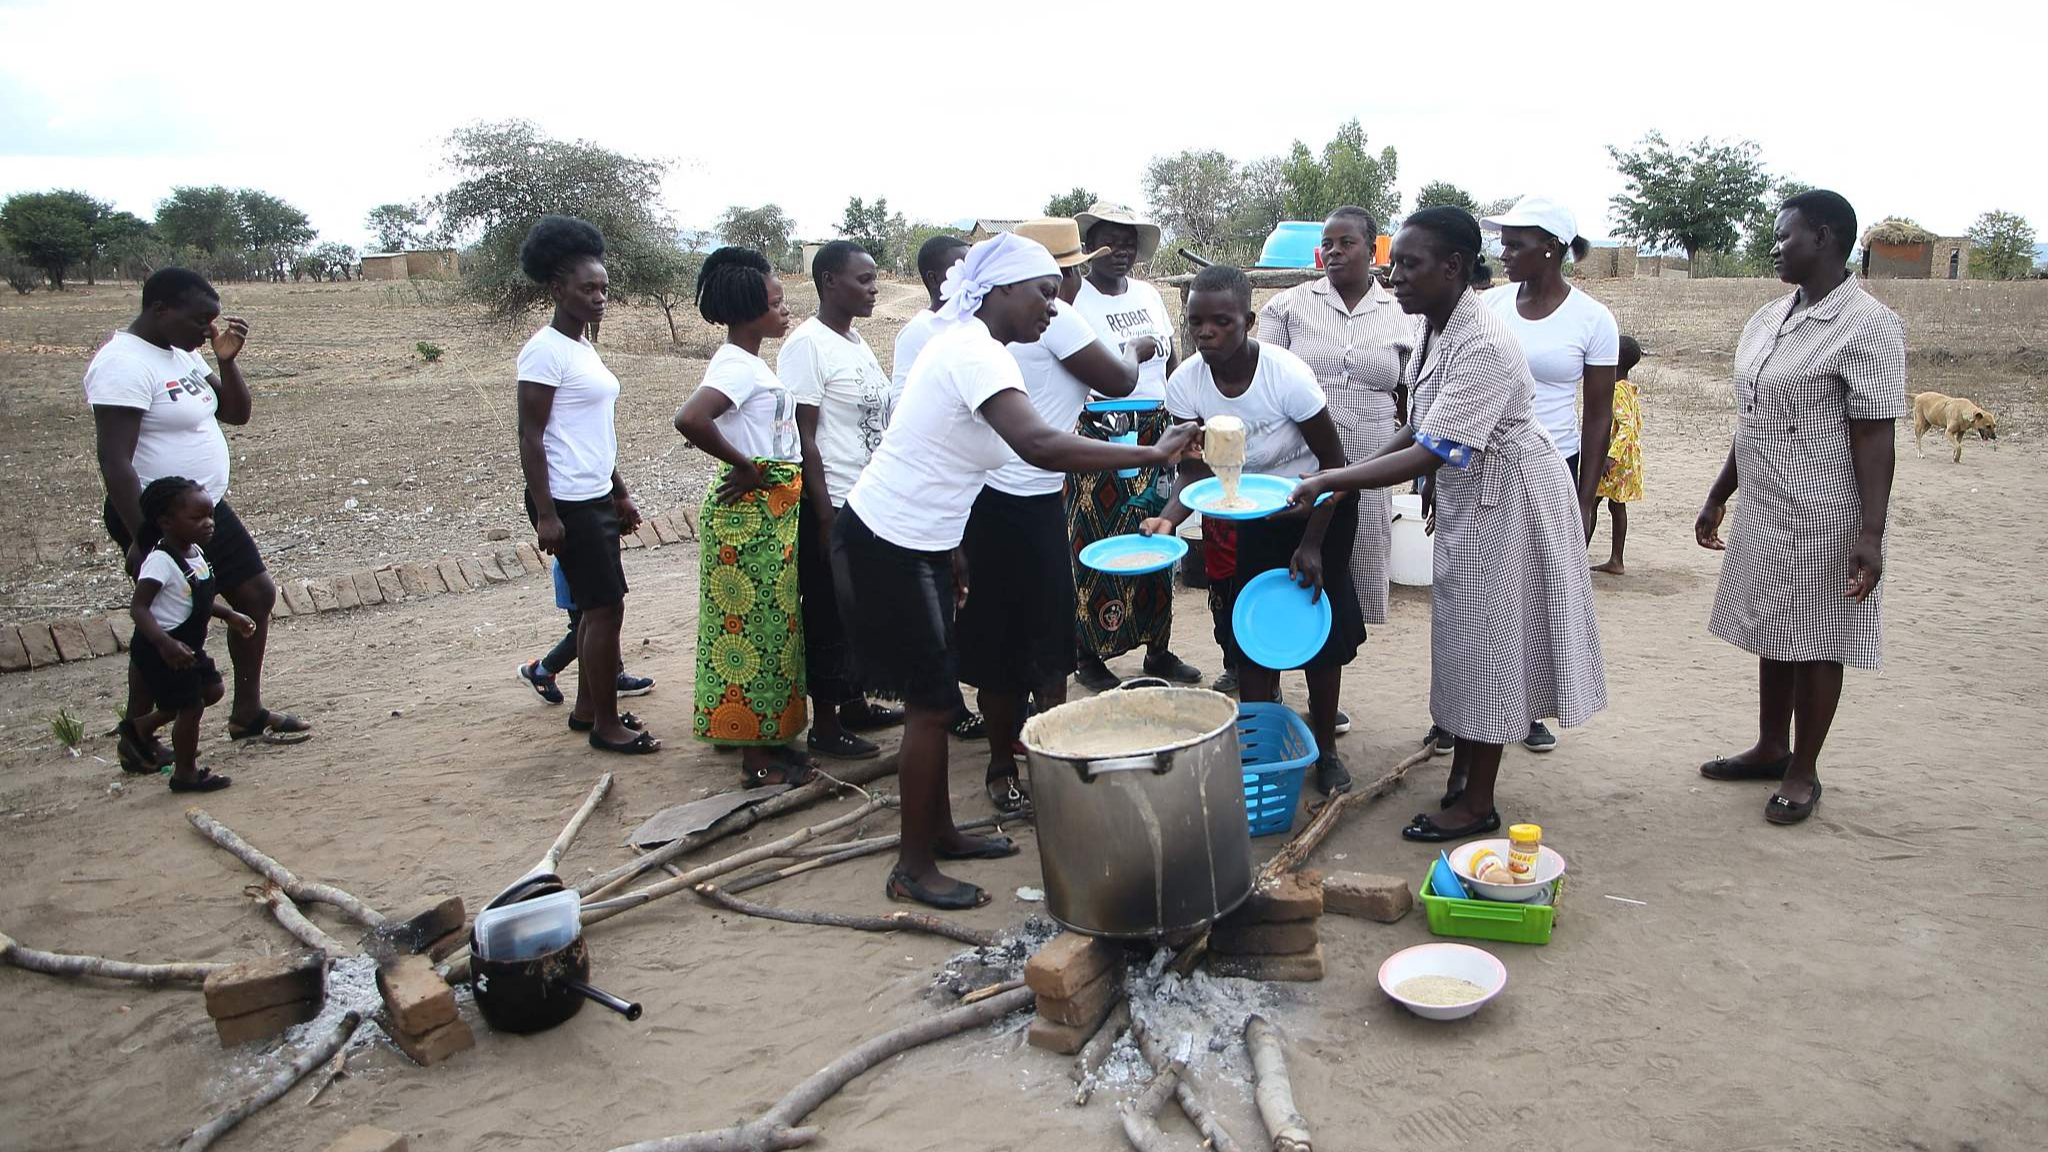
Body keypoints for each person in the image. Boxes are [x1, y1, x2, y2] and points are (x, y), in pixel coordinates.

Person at [834, 233, 1197, 909]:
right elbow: (1036, 446)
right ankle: (912, 867)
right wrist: (1148, 456)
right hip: (886, 543)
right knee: (932, 707)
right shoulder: (975, 354)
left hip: (921, 540)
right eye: (1043, 294)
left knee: (935, 702)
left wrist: (953, 547)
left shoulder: (974, 348)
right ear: (999, 290)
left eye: (1058, 297)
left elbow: (944, 456)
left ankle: (940, 831)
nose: (1052, 310)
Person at [1283, 207, 1607, 842]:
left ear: (1453, 267)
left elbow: (1436, 449)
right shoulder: (1439, 324)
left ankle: (1477, 802)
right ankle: (1463, 771)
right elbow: (1422, 423)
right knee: (1466, 640)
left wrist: (1332, 480)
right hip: (1479, 497)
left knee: (1489, 645)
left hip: (1511, 503)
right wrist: (1352, 468)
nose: (1394, 275)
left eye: (1410, 264)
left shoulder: (1483, 339)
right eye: (1394, 261)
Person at [1696, 190, 1905, 826]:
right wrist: (1719, 492)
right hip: (1765, 504)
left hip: (1824, 509)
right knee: (1772, 625)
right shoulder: (1770, 318)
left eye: (1785, 236)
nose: (1775, 245)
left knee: (1818, 637)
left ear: (1824, 237)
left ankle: (1803, 768)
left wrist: (1871, 533)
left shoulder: (1867, 325)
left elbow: (1876, 435)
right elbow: (1753, 415)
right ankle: (1768, 745)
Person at [1140, 265, 1360, 795]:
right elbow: (1192, 469)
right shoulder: (1186, 383)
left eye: (1222, 321)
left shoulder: (1286, 376)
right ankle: (1260, 752)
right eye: (1196, 322)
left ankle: (1325, 748)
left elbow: (1337, 468)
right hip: (1251, 515)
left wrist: (1311, 544)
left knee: (1317, 634)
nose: (1207, 332)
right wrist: (1170, 516)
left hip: (1319, 509)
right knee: (1254, 633)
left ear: (1248, 321)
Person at [962, 218, 1147, 815]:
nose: (1063, 286)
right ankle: (1049, 763)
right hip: (1029, 496)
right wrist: (1138, 350)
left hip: (981, 498)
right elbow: (1119, 382)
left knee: (998, 637)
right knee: (1045, 637)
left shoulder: (968, 328)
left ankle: (1003, 766)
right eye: (1065, 272)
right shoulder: (1061, 319)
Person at [90, 268, 310, 772]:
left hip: (203, 507)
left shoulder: (183, 352)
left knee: (256, 594)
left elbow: (235, 413)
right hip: (159, 518)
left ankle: (247, 713)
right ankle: (138, 733)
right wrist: (144, 538)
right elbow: (115, 461)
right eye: (200, 321)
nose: (208, 331)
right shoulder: (122, 363)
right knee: (168, 625)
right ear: (161, 309)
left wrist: (225, 361)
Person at [1258, 205, 1412, 737]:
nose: (1335, 252)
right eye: (1328, 243)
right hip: (1299, 460)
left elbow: (1414, 390)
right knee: (1285, 562)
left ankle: (1322, 684)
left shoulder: (1401, 311)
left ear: (1373, 250)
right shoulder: (1289, 306)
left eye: (1348, 243)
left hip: (1374, 455)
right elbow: (1265, 382)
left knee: (1345, 573)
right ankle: (1269, 674)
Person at [1479, 195, 1618, 754]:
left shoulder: (1592, 319)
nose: (1504, 252)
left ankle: (1529, 710)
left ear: (1551, 247)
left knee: (1538, 593)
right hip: (1486, 461)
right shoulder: (1489, 307)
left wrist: (1586, 499)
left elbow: (1599, 413)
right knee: (1479, 591)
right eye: (1503, 241)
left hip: (1552, 468)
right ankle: (1465, 714)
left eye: (1515, 243)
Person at [514, 215, 656, 755]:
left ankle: (585, 708)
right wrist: (547, 514)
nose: (599, 297)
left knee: (597, 608)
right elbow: (531, 437)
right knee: (603, 611)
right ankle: (606, 725)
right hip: (566, 500)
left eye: (602, 287)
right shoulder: (545, 351)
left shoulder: (581, 348)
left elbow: (592, 430)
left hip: (594, 493)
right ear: (558, 289)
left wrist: (618, 489)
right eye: (587, 288)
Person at [674, 247, 813, 786]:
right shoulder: (734, 364)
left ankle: (772, 740)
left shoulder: (751, 362)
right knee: (750, 636)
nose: (785, 312)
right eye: (776, 303)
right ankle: (756, 761)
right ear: (749, 309)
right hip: (750, 515)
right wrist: (746, 465)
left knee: (774, 631)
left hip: (768, 512)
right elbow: (690, 419)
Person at [1066, 201, 1200, 691]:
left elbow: (1171, 359)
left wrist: (1178, 413)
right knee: (1096, 539)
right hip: (1098, 429)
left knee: (1156, 533)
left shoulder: (1147, 294)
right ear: (1088, 244)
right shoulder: (1075, 299)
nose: (1120, 250)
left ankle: (1157, 649)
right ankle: (1089, 653)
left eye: (1128, 241)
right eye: (1109, 239)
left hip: (1156, 428)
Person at [782, 240, 905, 760]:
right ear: (830, 282)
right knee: (830, 612)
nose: (875, 288)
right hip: (829, 502)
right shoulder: (806, 345)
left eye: (875, 278)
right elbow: (803, 435)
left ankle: (854, 702)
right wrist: (825, 511)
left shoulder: (853, 342)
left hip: (865, 497)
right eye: (865, 279)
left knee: (856, 608)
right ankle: (826, 726)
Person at [889, 232, 985, 741]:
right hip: (933, 487)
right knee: (941, 601)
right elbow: (903, 407)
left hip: (967, 484)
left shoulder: (971, 329)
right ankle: (946, 703)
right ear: (934, 278)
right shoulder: (922, 332)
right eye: (960, 268)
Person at [123, 477, 256, 792]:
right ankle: (185, 773)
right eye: (197, 518)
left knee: (212, 691)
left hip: (186, 646)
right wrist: (164, 643)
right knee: (191, 706)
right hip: (162, 648)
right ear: (166, 522)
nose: (209, 524)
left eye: (210, 516)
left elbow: (198, 599)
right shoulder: (160, 562)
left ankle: (140, 728)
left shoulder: (194, 553)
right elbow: (139, 609)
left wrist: (231, 615)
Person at [514, 562, 655, 703]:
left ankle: (613, 676)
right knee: (588, 628)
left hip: (595, 568)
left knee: (606, 623)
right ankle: (541, 672)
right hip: (579, 571)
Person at [890, 233, 972, 400]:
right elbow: (900, 402)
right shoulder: (918, 331)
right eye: (961, 272)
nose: (972, 279)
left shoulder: (973, 324)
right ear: (933, 279)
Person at [1591, 336, 1645, 576]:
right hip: (1626, 458)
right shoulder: (1627, 388)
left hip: (1613, 460)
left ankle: (1577, 555)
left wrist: (1610, 457)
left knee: (1591, 502)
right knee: (1616, 505)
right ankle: (1616, 560)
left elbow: (1626, 426)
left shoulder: (1615, 390)